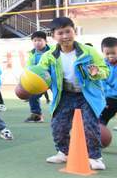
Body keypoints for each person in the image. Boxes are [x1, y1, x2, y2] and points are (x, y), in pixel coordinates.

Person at [36, 17, 108, 170]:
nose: (65, 36)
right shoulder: (49, 57)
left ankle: (95, 157)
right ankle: (64, 152)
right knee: (58, 125)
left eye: (68, 31)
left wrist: (97, 73)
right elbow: (40, 74)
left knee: (90, 125)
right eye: (60, 33)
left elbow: (105, 69)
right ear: (53, 36)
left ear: (74, 31)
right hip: (65, 94)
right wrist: (33, 84)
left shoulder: (88, 52)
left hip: (86, 94)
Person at [25, 31, 52, 123]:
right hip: (41, 81)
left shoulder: (53, 51)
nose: (37, 43)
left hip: (55, 79)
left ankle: (66, 115)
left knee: (60, 97)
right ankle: (37, 115)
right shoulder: (31, 54)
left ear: (46, 41)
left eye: (40, 40)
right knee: (32, 96)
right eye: (35, 41)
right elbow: (29, 68)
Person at [99, 37, 117, 129]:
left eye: (114, 53)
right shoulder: (102, 65)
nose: (111, 56)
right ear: (103, 53)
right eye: (107, 53)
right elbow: (102, 82)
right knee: (102, 118)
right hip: (109, 98)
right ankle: (98, 134)